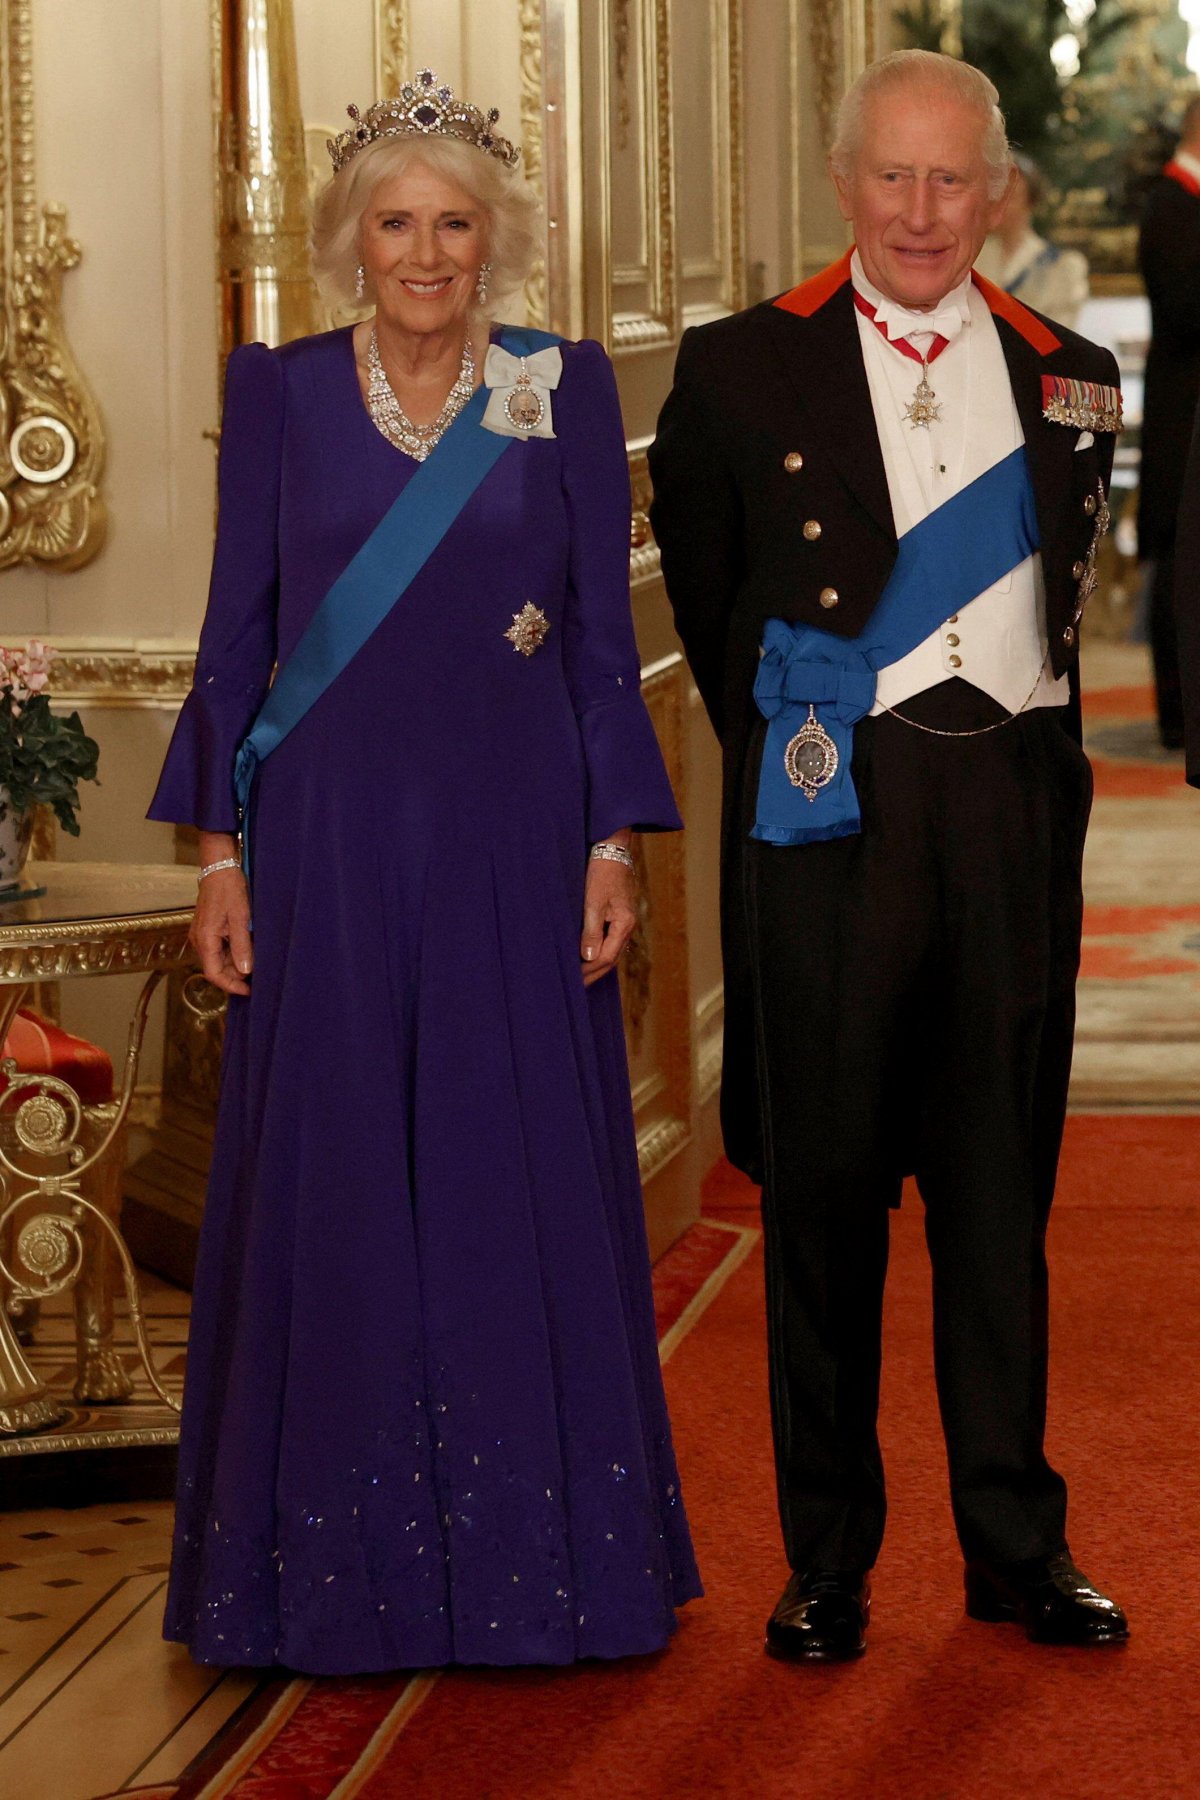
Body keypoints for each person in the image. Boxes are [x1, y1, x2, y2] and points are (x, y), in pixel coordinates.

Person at [148, 68, 700, 1674]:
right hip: (324, 843)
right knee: (333, 1186)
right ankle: (329, 1580)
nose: (426, 254)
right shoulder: (281, 391)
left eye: (455, 224)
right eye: (395, 224)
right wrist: (218, 856)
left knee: (497, 1177)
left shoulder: (553, 385)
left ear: (493, 238)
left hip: (510, 838)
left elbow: (596, 635)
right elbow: (238, 632)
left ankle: (539, 1572)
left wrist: (610, 842)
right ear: (350, 238)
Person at [649, 48, 1128, 1662]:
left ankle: (1017, 1546)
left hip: (1010, 810)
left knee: (1000, 1197)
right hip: (831, 818)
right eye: (894, 176)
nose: (923, 213)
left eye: (952, 180)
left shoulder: (1072, 376)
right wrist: (815, 744)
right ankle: (828, 1560)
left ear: (995, 192)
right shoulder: (740, 369)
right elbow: (718, 605)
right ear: (844, 182)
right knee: (828, 1198)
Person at [1137, 94, 1200, 749]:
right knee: (1183, 557)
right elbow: (1186, 309)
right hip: (1184, 414)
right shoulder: (1172, 203)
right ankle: (1180, 715)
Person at [988, 151, 1089, 328]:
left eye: (1011, 196)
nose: (1000, 205)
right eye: (995, 196)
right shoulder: (969, 260)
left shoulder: (1061, 266)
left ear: (1031, 200)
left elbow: (1060, 330)